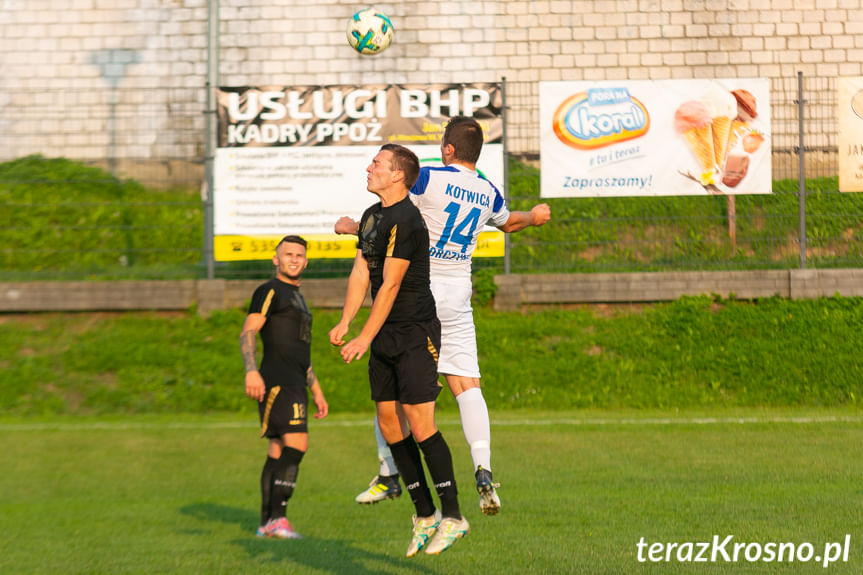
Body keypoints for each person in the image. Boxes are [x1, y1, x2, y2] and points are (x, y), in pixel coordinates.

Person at [335, 116, 551, 515]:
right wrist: (534, 217)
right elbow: (510, 223)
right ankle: (483, 468)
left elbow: (394, 214)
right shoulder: (487, 191)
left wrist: (354, 229)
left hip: (418, 290)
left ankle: (389, 473)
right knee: (467, 383)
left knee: (395, 388)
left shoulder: (429, 178)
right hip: (458, 294)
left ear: (448, 150)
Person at [329, 144, 468, 557]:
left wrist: (363, 337)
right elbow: (361, 273)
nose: (369, 168)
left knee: (419, 422)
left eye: (377, 164)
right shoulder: (372, 216)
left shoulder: (407, 220)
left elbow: (389, 285)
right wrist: (345, 321)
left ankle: (454, 516)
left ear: (398, 176)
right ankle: (424, 514)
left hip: (413, 331)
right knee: (389, 422)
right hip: (384, 331)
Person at [240, 235, 329, 539]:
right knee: (296, 445)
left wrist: (315, 389)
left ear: (306, 262)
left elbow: (299, 351)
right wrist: (251, 371)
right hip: (277, 381)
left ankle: (267, 523)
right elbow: (248, 331)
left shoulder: (299, 297)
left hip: (296, 382)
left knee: (278, 449)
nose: (294, 259)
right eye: (287, 254)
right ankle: (277, 519)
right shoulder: (269, 290)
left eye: (299, 255)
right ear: (275, 259)